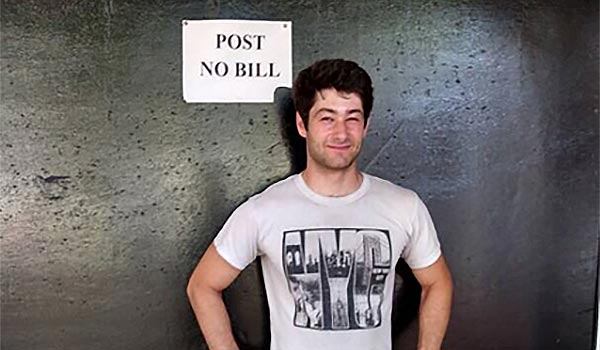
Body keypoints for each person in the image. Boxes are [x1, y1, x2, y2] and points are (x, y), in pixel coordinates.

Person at [187, 59, 453, 350]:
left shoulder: (403, 206)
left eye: (352, 118)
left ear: (366, 125)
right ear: (303, 124)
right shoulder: (263, 210)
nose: (341, 133)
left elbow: (437, 283)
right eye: (327, 118)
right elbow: (203, 286)